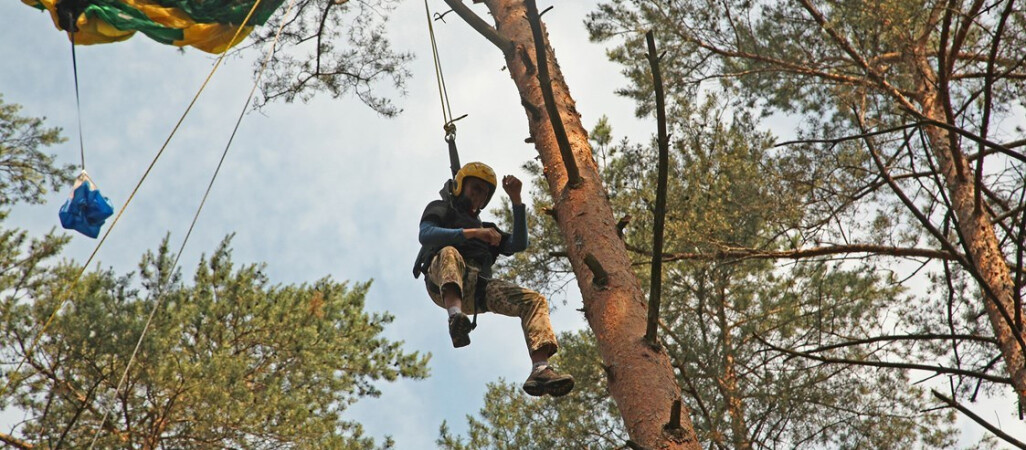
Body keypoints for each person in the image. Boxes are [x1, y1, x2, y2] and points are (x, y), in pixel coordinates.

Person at [413, 162, 574, 397]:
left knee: (533, 300)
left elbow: (518, 244)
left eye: (483, 194)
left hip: (478, 291)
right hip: (442, 281)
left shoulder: (488, 230)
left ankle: (541, 368)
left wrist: (516, 201)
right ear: (460, 187)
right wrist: (473, 234)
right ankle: (455, 319)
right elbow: (425, 234)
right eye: (474, 188)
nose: (478, 196)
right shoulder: (442, 209)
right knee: (450, 252)